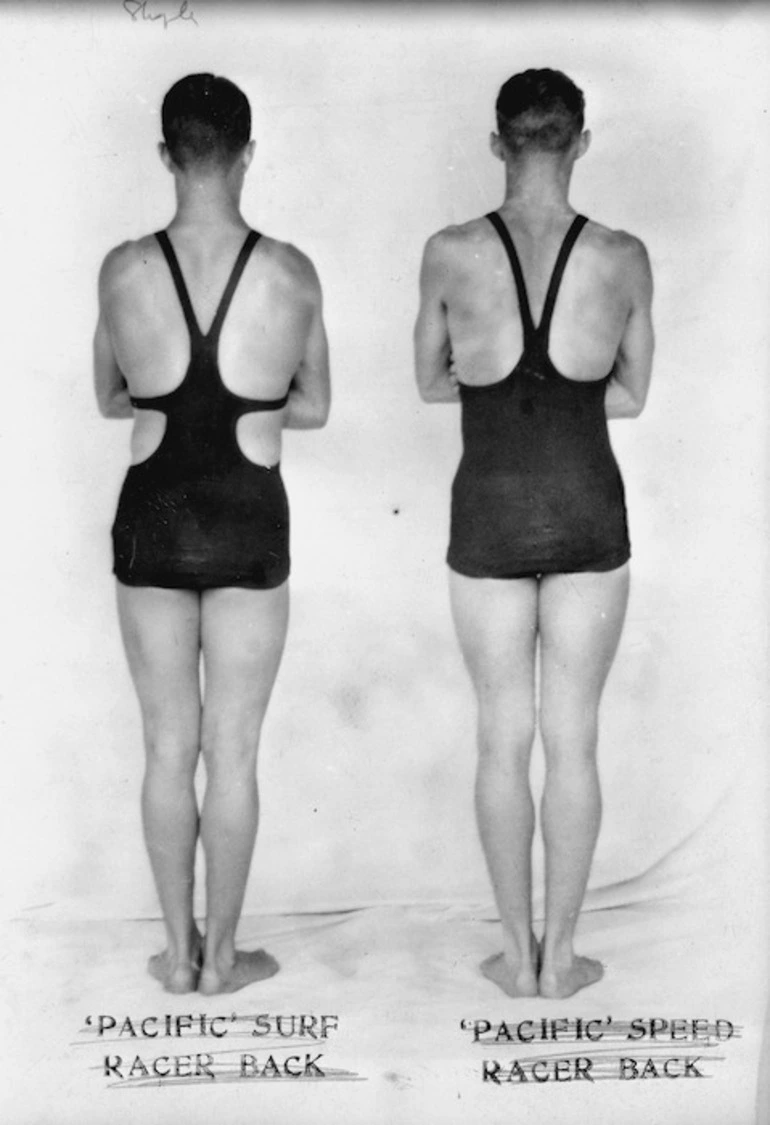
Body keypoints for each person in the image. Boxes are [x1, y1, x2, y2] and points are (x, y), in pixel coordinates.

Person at [414, 68, 653, 999]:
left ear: (497, 144)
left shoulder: (448, 251)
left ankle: (514, 955)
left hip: (488, 512)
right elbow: (632, 391)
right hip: (590, 507)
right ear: (582, 142)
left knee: (500, 737)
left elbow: (433, 382)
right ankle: (565, 958)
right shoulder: (623, 255)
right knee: (575, 739)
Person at [93, 73, 330, 994]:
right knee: (232, 747)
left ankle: (177, 953)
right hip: (248, 512)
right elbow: (314, 402)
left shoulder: (122, 269)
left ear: (165, 155)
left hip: (151, 512)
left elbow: (109, 393)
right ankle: (227, 956)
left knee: (166, 744)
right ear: (247, 155)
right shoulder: (291, 272)